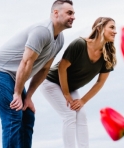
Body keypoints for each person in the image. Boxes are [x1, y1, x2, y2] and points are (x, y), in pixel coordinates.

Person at [0, 0, 75, 148]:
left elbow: (44, 69)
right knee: (14, 113)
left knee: (28, 115)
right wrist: (17, 94)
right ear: (56, 13)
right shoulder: (42, 31)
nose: (73, 16)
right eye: (69, 13)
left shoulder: (59, 40)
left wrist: (28, 97)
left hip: (13, 77)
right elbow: (26, 63)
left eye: (73, 13)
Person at [40, 17, 117, 148]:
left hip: (70, 88)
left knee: (81, 115)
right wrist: (66, 95)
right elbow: (62, 67)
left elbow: (99, 83)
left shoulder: (107, 56)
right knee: (69, 114)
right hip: (51, 82)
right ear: (99, 28)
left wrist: (82, 101)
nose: (115, 31)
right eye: (112, 27)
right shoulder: (80, 44)